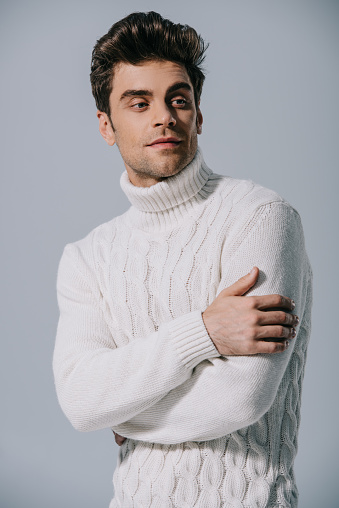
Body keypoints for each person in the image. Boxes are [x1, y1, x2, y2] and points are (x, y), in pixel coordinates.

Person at [53, 11, 312, 508]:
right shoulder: (87, 258)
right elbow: (80, 397)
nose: (164, 117)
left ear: (199, 113)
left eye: (179, 99)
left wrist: (121, 410)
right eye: (139, 102)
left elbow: (242, 396)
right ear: (106, 125)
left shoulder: (259, 216)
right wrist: (204, 333)